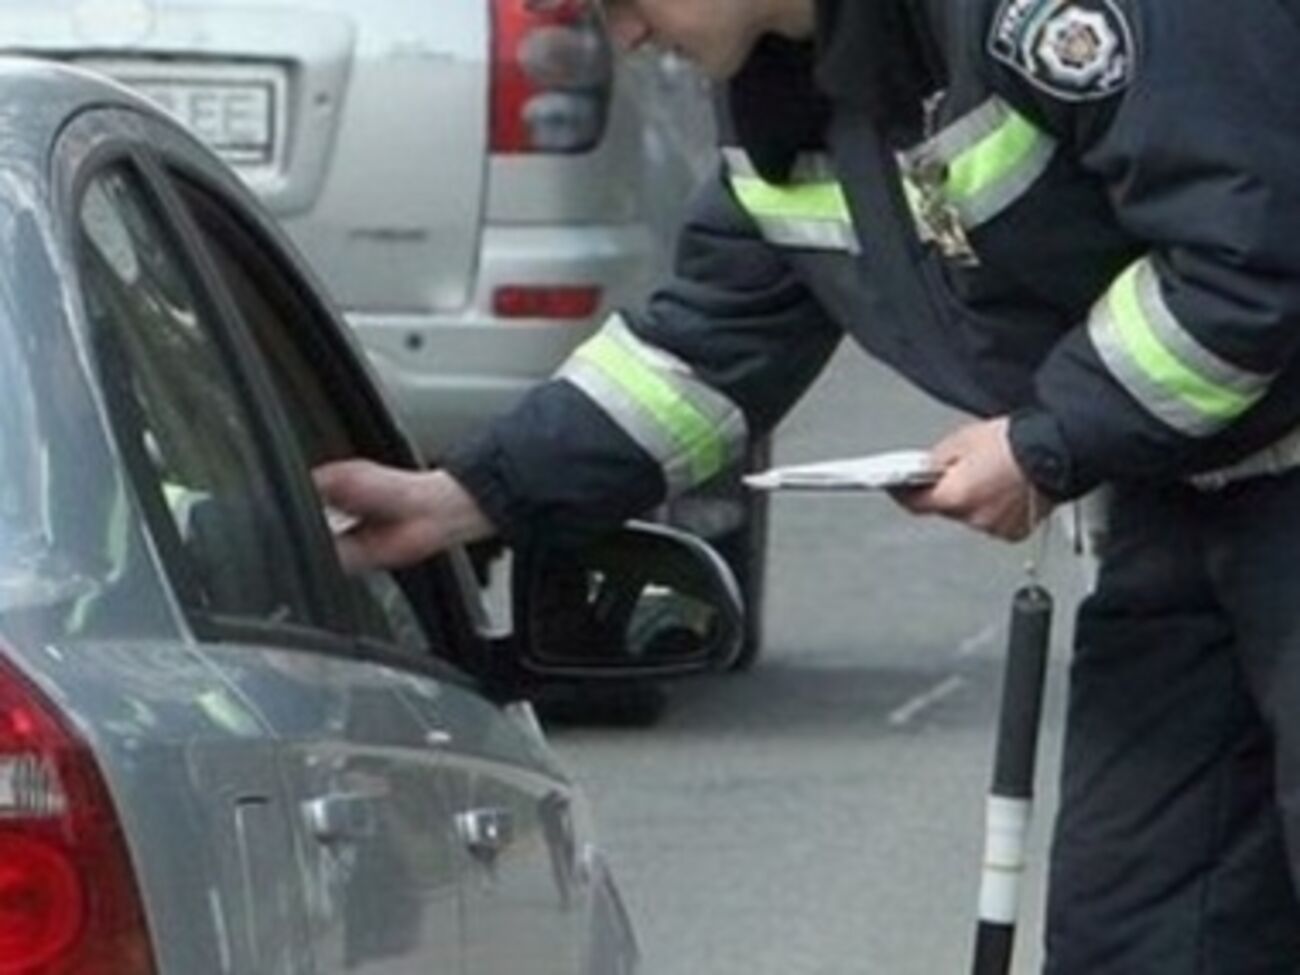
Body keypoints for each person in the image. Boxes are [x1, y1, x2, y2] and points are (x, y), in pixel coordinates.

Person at [315, 0, 1300, 969]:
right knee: (1145, 933)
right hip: (1186, 500)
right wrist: (468, 498)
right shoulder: (793, 94)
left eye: (621, 0)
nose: (624, 37)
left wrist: (1046, 442)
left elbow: (1249, 258)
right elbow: (706, 348)